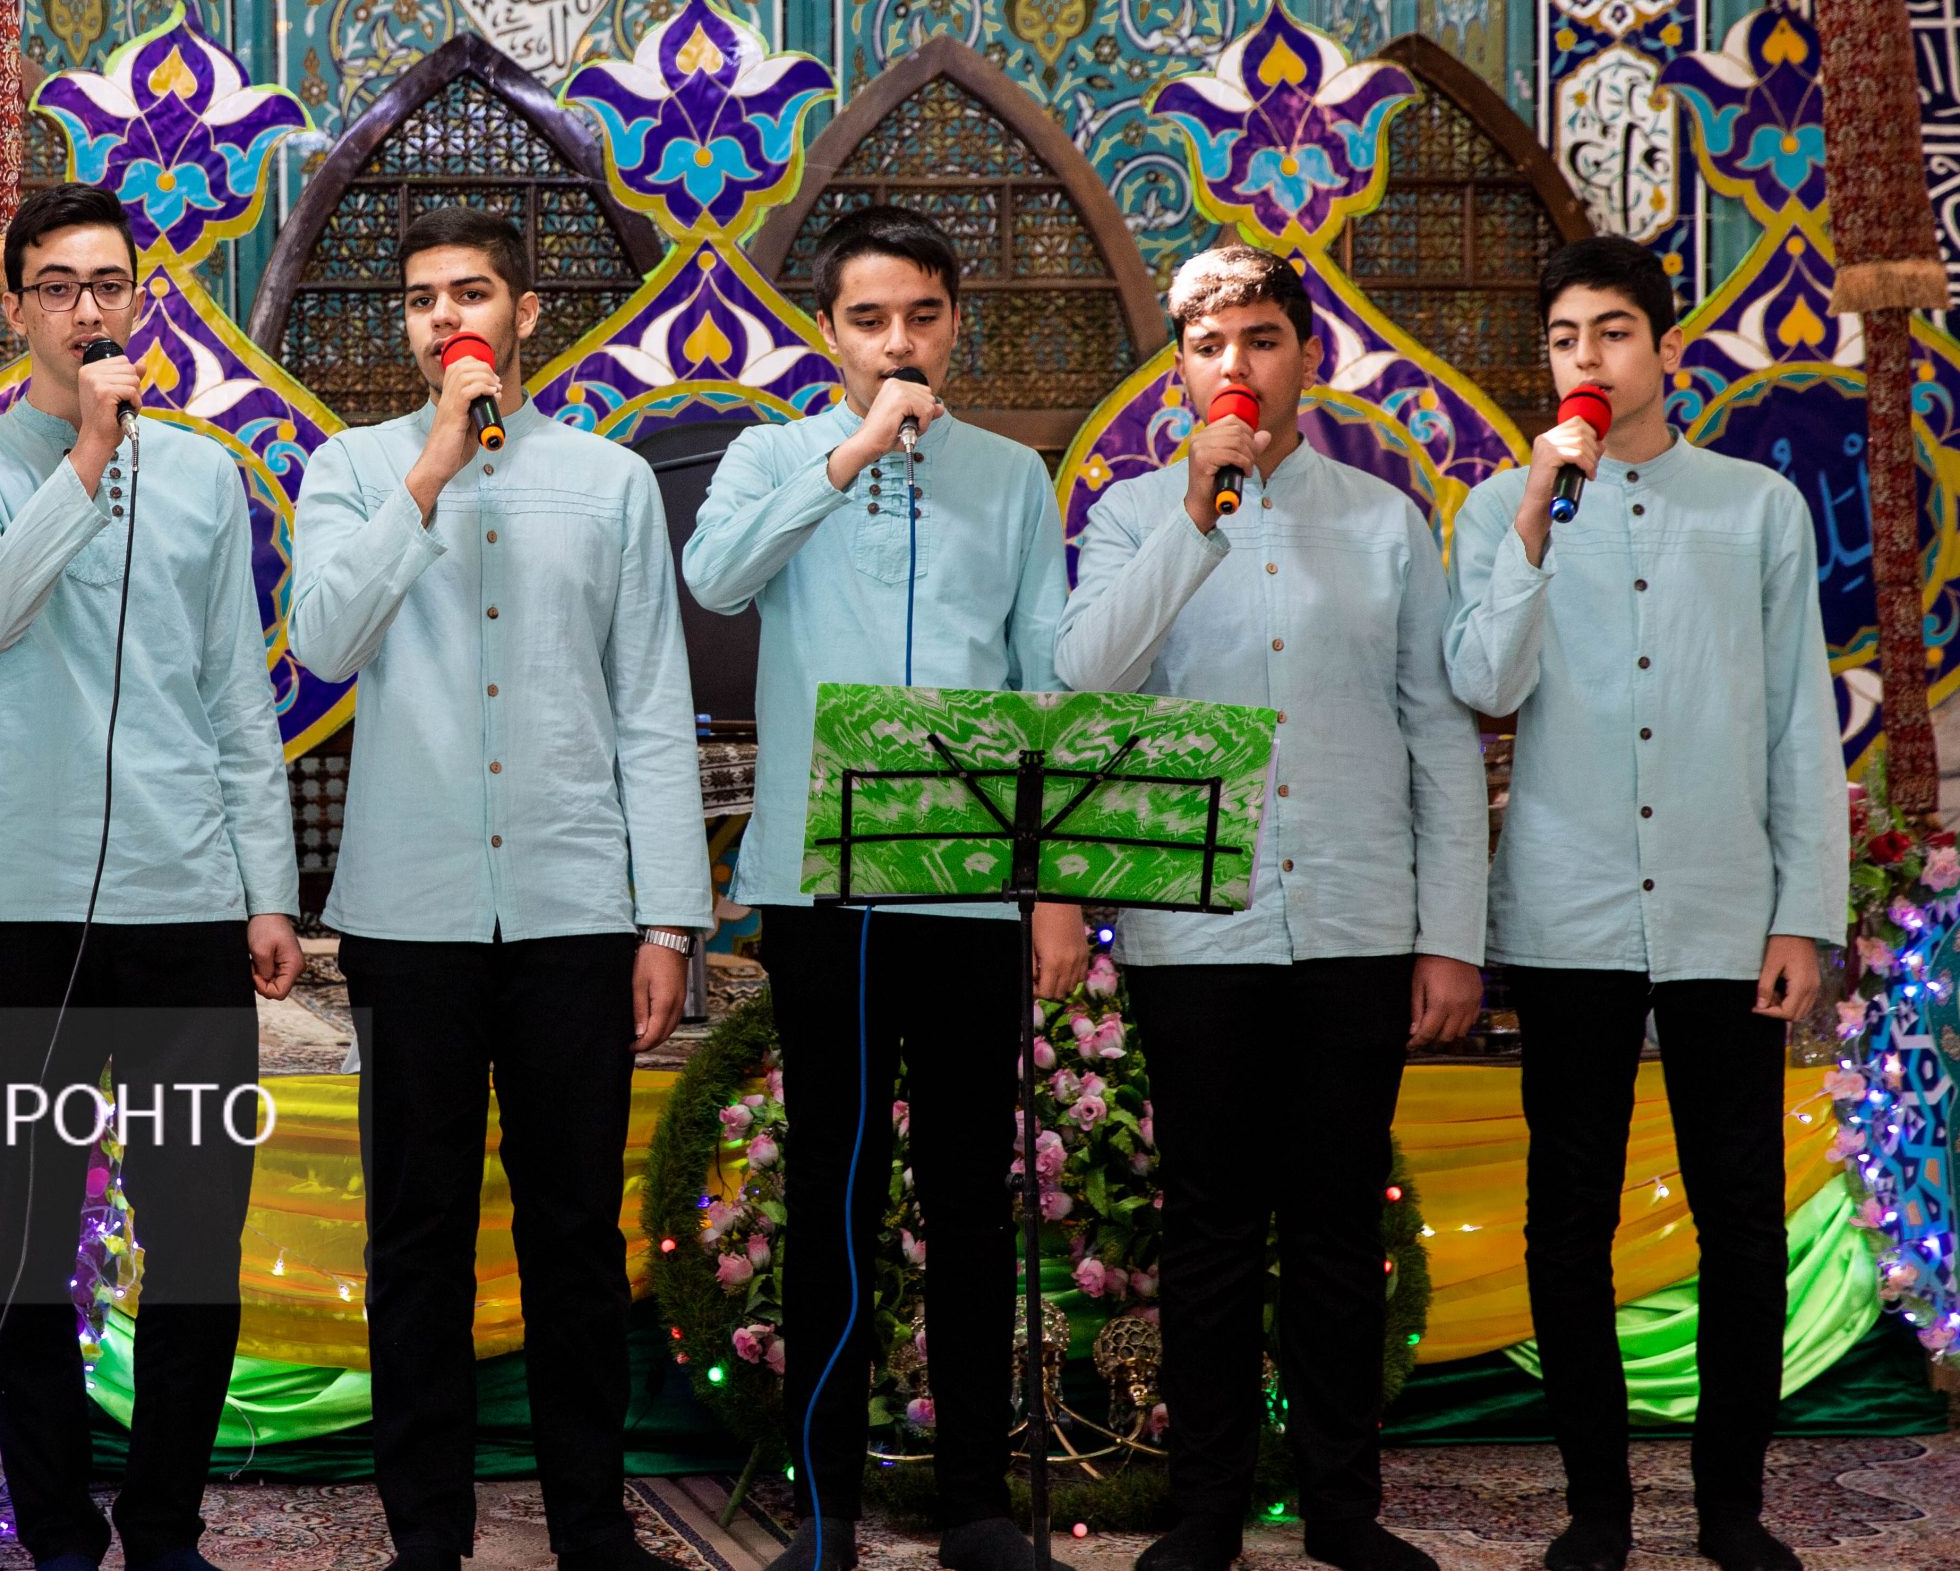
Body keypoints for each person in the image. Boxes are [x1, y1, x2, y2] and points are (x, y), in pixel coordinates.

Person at [287, 206, 710, 1571]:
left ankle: (592, 1527)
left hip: (574, 907)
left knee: (574, 1230)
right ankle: (428, 1535)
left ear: (525, 316)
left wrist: (667, 918)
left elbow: (651, 707)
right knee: (416, 1233)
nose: (444, 320)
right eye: (422, 300)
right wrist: (425, 474)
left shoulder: (608, 482)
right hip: (408, 914)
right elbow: (322, 641)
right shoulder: (353, 469)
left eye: (469, 295)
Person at [1054, 244, 1487, 1571]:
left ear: (1309, 356)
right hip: (1200, 927)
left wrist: (1450, 936)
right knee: (1210, 1228)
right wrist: (1195, 517)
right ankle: (1208, 1510)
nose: (1234, 366)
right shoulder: (1134, 515)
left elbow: (1437, 733)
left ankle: (1344, 1509)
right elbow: (1085, 678)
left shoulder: (1388, 521)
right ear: (1179, 374)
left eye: (1259, 339)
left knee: (1338, 1226)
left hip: (1358, 919)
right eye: (1207, 347)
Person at [682, 204, 1087, 1571]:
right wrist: (848, 455)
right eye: (869, 320)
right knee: (837, 1193)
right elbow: (715, 579)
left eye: (921, 315)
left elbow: (1044, 677)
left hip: (971, 892)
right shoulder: (773, 455)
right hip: (827, 891)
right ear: (830, 334)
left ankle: (977, 1504)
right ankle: (827, 1506)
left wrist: (1053, 888)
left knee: (972, 1200)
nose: (898, 341)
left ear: (955, 322)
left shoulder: (1013, 479)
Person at [0, 181, 303, 1571]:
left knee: (197, 1239)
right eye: (59, 286)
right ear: (19, 305)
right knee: (29, 1242)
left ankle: (164, 1525)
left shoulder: (203, 475)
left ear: (138, 299)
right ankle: (59, 1534)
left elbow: (235, 696)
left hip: (183, 902)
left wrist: (266, 888)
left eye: (109, 284)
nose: (88, 308)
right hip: (22, 914)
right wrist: (83, 453)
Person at [1443, 237, 1843, 1571]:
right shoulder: (1501, 507)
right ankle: (1597, 1508)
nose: (1588, 359)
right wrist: (1530, 523)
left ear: (1664, 349)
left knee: (1741, 1216)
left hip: (1729, 906)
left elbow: (1798, 723)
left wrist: (1803, 914)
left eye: (1612, 332)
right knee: (1569, 1215)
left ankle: (1732, 1503)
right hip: (1569, 910)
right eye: (1565, 338)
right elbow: (1485, 686)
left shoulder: (1756, 507)